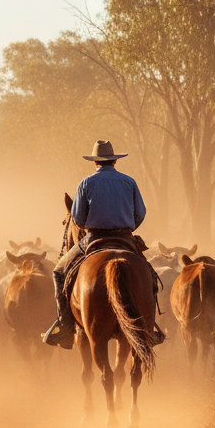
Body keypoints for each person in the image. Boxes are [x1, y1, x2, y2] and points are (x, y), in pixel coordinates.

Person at [42, 139, 148, 350]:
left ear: (96, 162)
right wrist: (126, 227)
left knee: (59, 272)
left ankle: (65, 327)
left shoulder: (86, 183)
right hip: (125, 237)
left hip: (94, 238)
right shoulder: (129, 182)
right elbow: (140, 214)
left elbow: (79, 219)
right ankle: (150, 326)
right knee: (149, 274)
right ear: (114, 161)